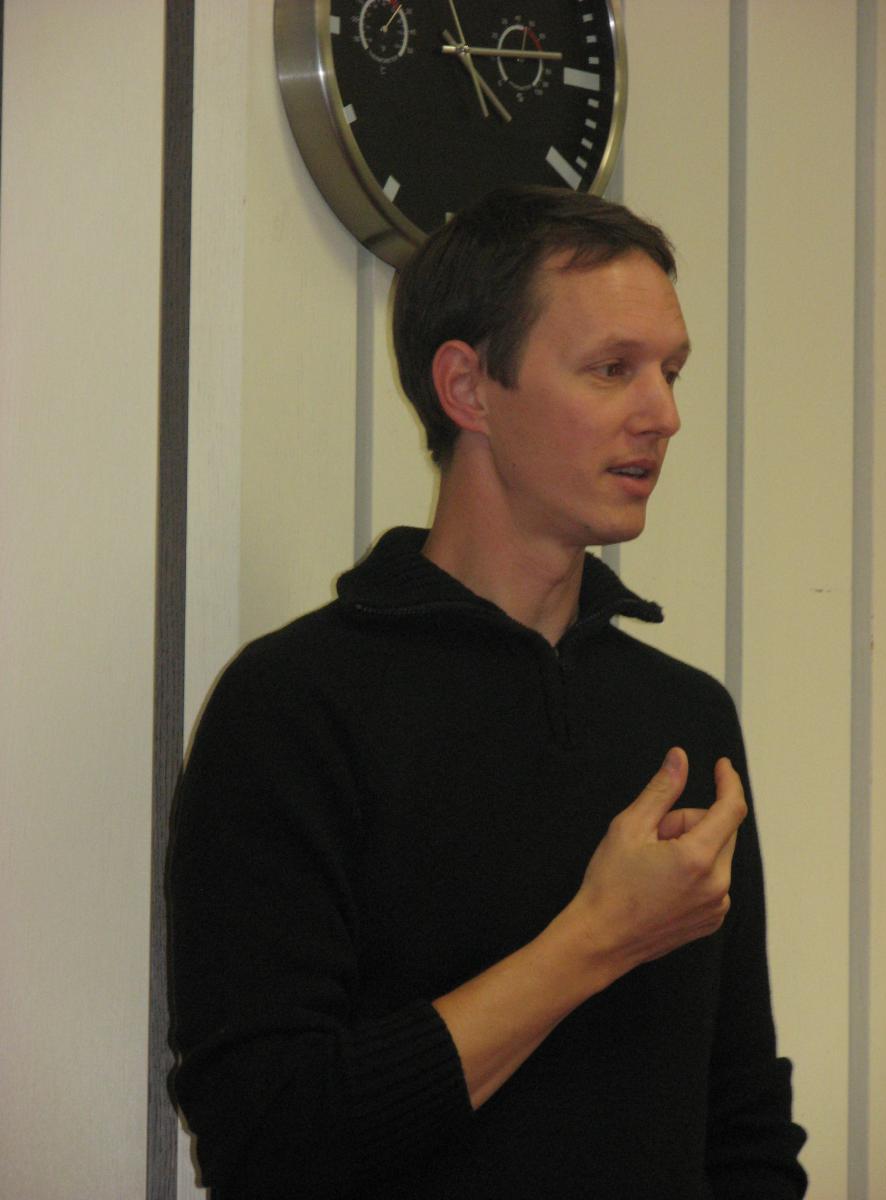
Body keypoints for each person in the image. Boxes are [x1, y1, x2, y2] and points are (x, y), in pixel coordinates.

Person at [167, 185, 807, 1198]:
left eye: (671, 371)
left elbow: (743, 1126)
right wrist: (596, 939)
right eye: (612, 369)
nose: (665, 415)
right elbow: (270, 1139)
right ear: (468, 387)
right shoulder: (294, 707)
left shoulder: (683, 719)